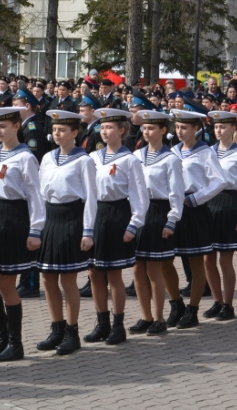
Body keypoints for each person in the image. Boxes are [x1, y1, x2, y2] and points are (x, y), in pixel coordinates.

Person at [0, 105, 44, 362]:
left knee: (6, 283)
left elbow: (34, 195)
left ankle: (15, 343)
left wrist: (35, 229)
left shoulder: (26, 157)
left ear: (17, 126)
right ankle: (1, 337)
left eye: (3, 126)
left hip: (15, 218)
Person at [79, 108, 148, 345]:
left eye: (110, 127)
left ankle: (118, 324)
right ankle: (102, 322)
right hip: (95, 214)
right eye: (102, 127)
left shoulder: (130, 160)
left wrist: (133, 224)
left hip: (117, 213)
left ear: (122, 130)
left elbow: (139, 196)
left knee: (113, 273)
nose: (105, 132)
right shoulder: (92, 158)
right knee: (94, 272)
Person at [34, 109, 96, 356]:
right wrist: (36, 226)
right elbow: (39, 193)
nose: (56, 134)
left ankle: (72, 330)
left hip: (72, 218)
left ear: (74, 132)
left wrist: (88, 230)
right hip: (51, 217)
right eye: (54, 130)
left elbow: (92, 197)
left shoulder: (84, 160)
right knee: (48, 277)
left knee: (68, 278)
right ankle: (56, 327)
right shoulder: (48, 157)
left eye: (62, 130)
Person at [168, 108, 226, 327]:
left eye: (185, 127)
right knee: (168, 258)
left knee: (195, 260)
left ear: (196, 129)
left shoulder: (205, 152)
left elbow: (219, 181)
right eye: (178, 127)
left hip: (194, 208)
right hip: (174, 206)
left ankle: (193, 308)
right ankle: (176, 304)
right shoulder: (173, 151)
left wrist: (197, 198)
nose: (180, 131)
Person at [129, 110, 185, 334]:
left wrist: (172, 219)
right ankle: (145, 316)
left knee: (154, 269)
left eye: (151, 128)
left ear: (163, 130)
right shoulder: (136, 156)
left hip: (158, 211)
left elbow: (176, 192)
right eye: (145, 127)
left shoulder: (171, 158)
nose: (146, 131)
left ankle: (160, 318)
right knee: (136, 269)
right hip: (138, 211)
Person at [206, 110, 237, 320]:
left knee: (226, 259)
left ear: (233, 129)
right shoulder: (208, 152)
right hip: (209, 204)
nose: (219, 130)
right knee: (208, 259)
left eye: (223, 126)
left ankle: (228, 304)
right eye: (216, 126)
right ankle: (216, 301)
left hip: (229, 203)